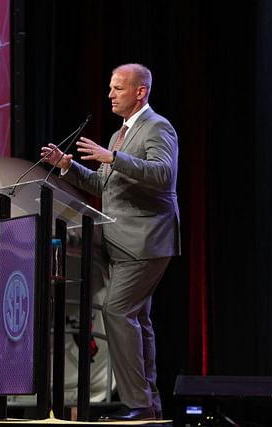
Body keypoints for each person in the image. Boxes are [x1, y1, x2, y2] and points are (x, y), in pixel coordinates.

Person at [41, 63, 180, 421]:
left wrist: (114, 158)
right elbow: (105, 186)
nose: (110, 94)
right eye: (110, 88)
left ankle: (139, 403)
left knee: (117, 312)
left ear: (140, 91)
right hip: (121, 243)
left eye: (118, 88)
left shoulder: (157, 127)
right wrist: (68, 166)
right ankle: (149, 404)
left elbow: (163, 175)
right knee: (138, 320)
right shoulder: (119, 135)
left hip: (147, 240)